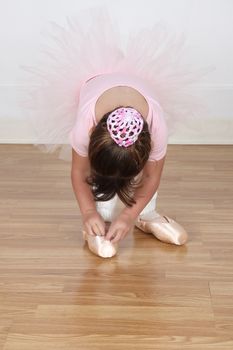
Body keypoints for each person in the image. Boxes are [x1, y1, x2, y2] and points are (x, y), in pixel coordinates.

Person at [69, 72, 188, 258]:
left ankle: (146, 213)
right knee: (105, 174)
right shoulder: (85, 125)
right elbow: (79, 171)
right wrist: (88, 212)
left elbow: (151, 175)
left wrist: (128, 216)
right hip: (97, 84)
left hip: (136, 90)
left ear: (148, 145)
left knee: (126, 165)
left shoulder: (157, 128)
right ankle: (101, 216)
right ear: (92, 133)